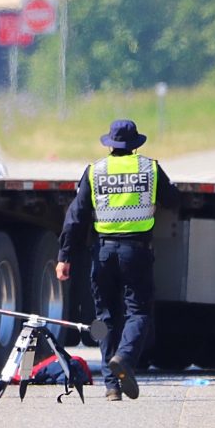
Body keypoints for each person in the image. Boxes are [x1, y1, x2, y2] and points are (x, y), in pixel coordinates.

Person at [55, 120, 180, 401]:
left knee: (105, 317)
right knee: (138, 312)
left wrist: (64, 256)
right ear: (136, 144)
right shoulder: (149, 168)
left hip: (102, 252)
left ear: (110, 144)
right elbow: (173, 200)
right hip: (136, 251)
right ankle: (124, 357)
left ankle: (111, 386)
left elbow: (76, 218)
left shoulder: (95, 171)